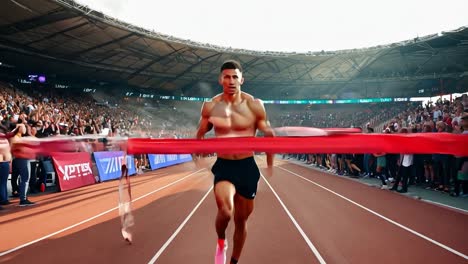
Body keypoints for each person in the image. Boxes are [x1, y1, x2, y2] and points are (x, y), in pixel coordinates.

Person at [195, 60, 274, 264]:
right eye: (227, 77)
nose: (231, 81)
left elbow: (268, 134)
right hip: (225, 166)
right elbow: (200, 134)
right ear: (221, 79)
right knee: (225, 210)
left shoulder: (255, 105)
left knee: (241, 220)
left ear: (242, 79)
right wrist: (197, 156)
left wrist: (270, 161)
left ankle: (234, 261)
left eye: (235, 77)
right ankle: (221, 241)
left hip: (247, 167)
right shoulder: (211, 106)